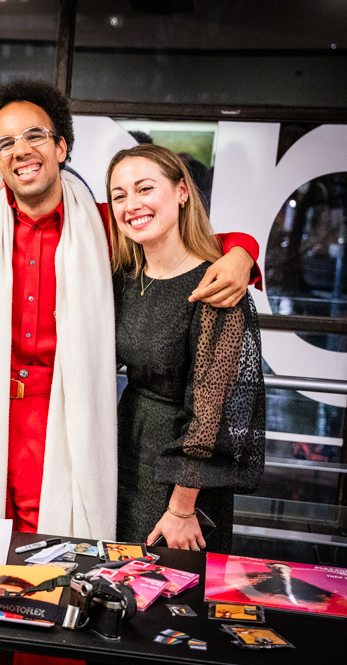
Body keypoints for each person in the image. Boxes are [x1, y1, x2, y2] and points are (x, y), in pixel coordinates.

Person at [0, 80, 260, 539]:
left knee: (52, 550)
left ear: (61, 147)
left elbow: (181, 240)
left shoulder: (103, 224)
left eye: (35, 135)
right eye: (6, 143)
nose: (21, 150)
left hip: (65, 417)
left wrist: (241, 254)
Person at [107, 144, 266, 553]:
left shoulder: (217, 286)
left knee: (167, 582)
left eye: (145, 188)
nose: (132, 204)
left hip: (183, 474)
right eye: (120, 195)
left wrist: (181, 507)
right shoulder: (123, 277)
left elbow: (212, 412)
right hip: (126, 449)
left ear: (181, 192)